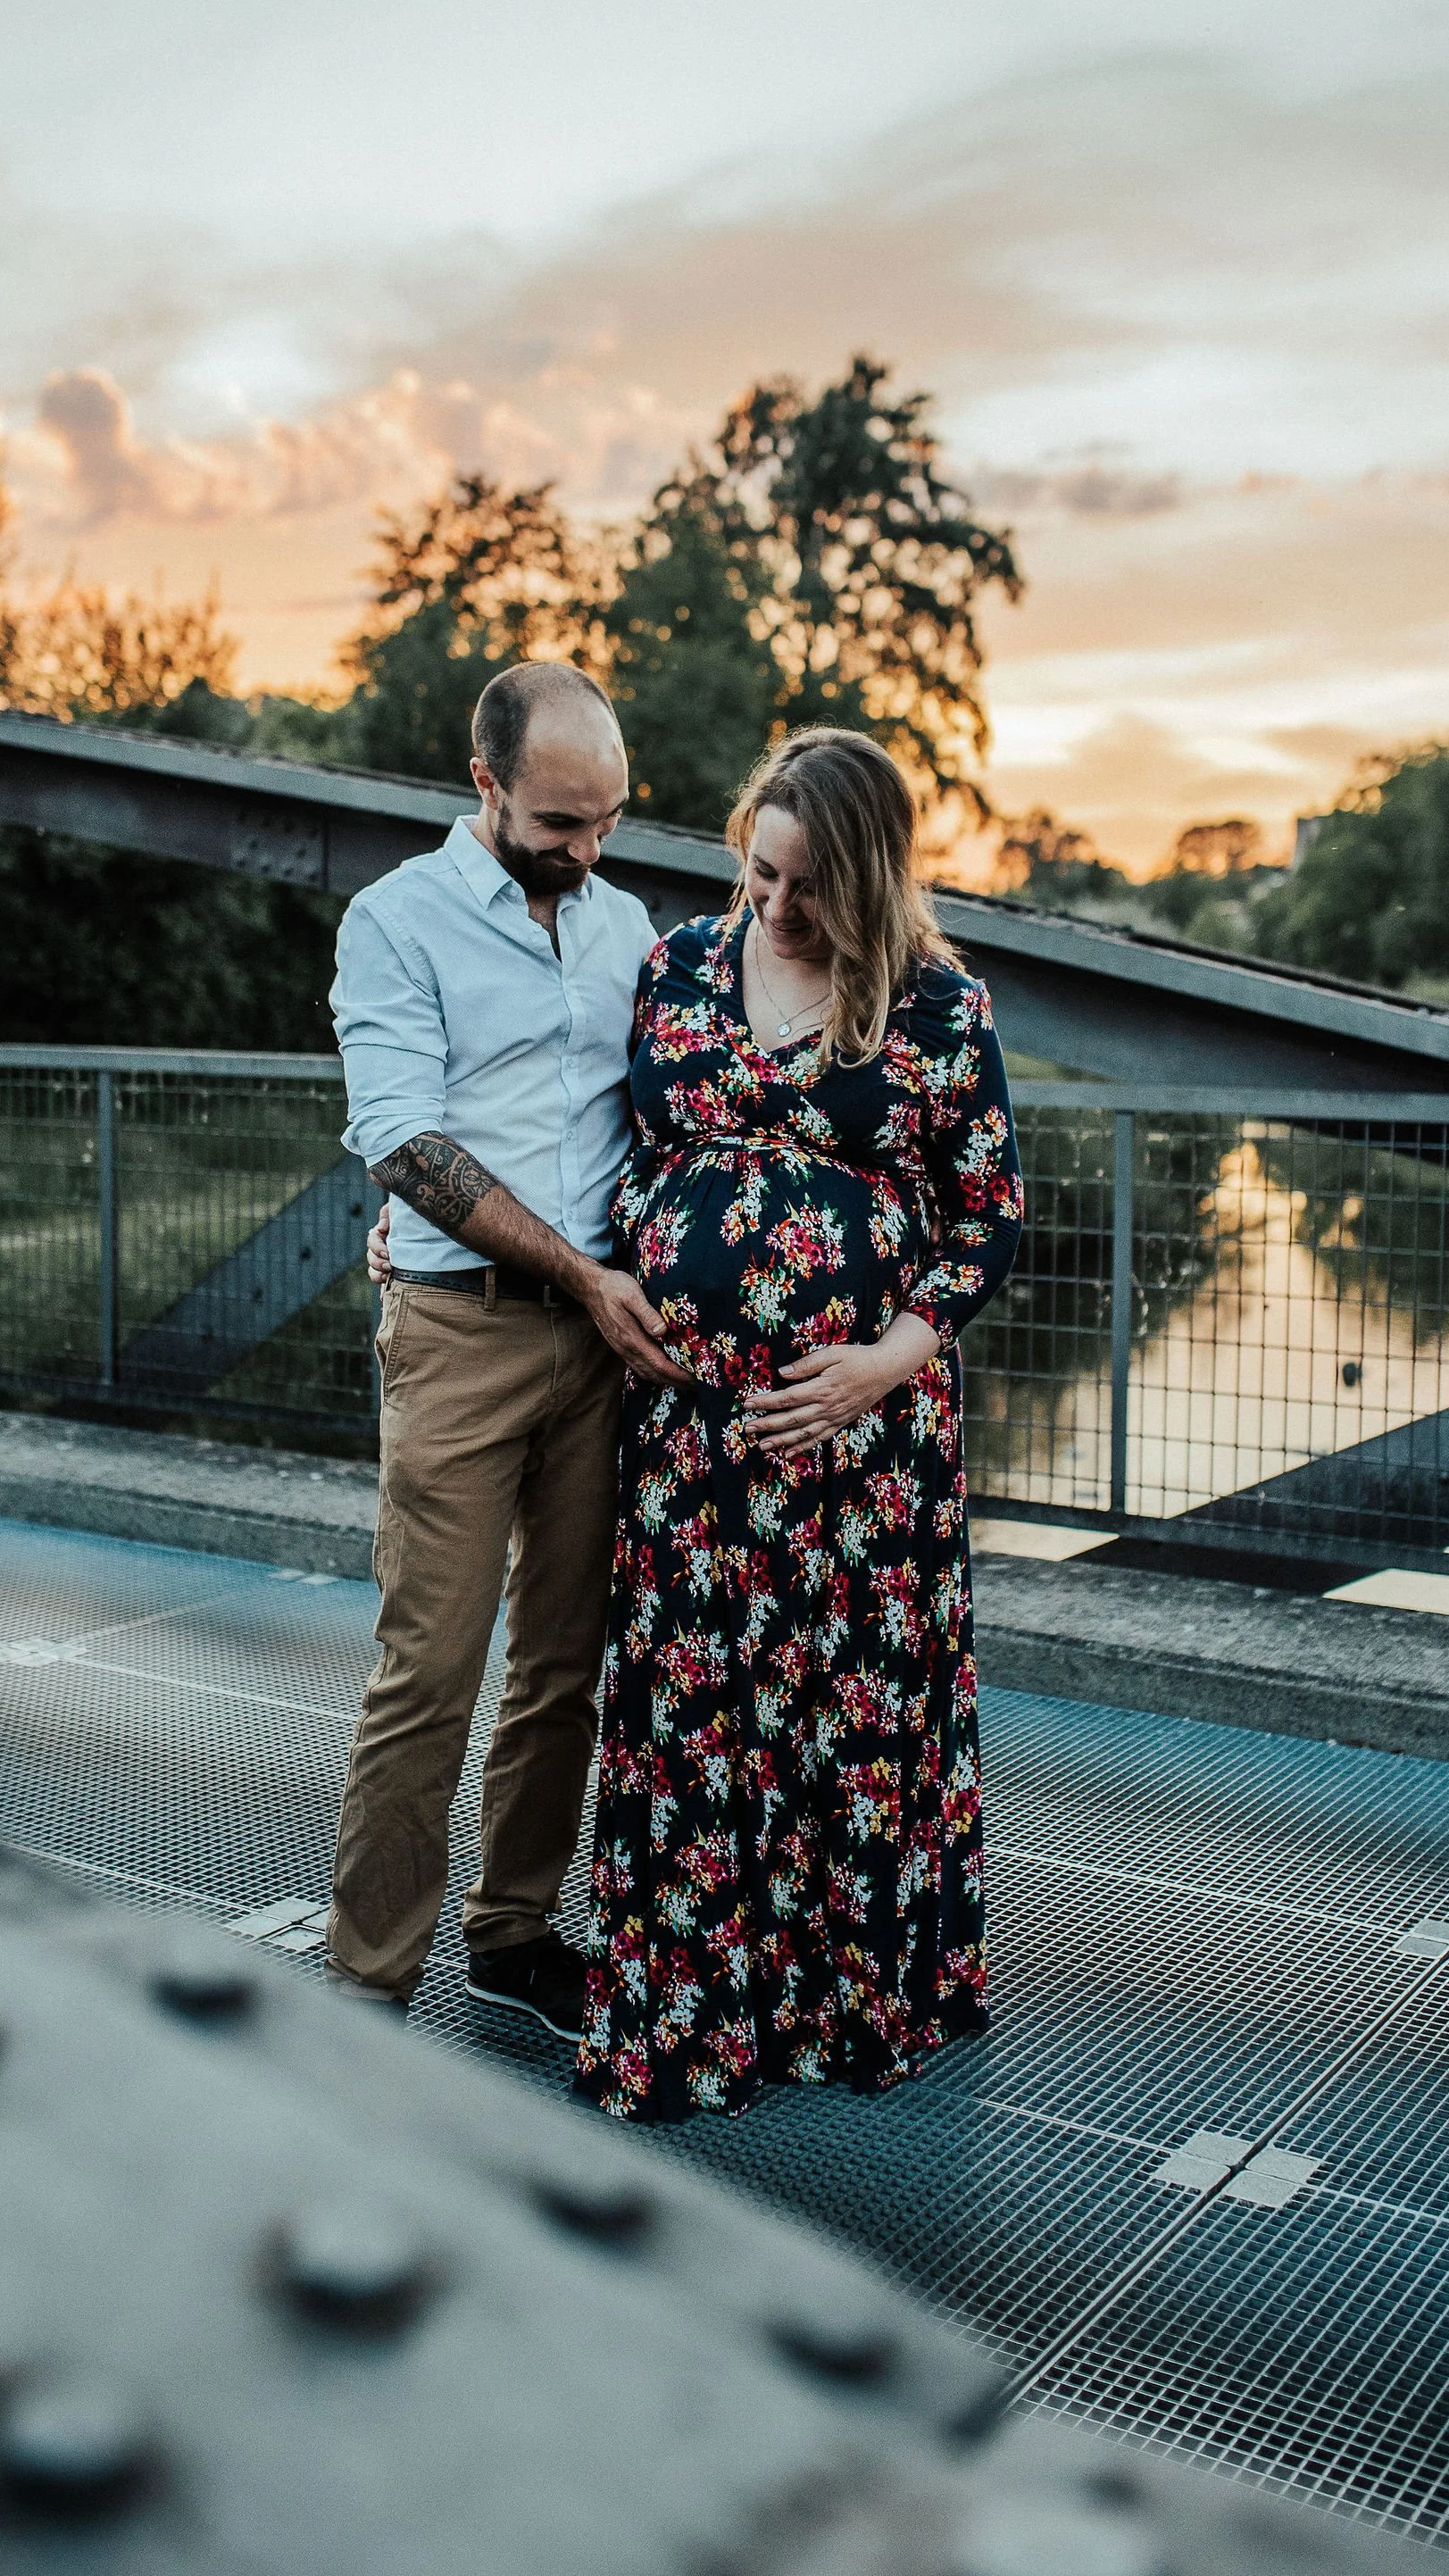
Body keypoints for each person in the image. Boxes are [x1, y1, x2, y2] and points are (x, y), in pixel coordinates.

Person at [573, 729, 1024, 2122]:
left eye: (809, 889)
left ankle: (842, 2005)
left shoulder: (942, 1012)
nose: (773, 906)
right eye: (758, 871)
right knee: (702, 1708)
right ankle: (698, 2005)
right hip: (697, 1438)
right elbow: (625, 1152)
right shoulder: (679, 969)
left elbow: (986, 1228)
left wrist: (880, 1363)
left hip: (860, 1454)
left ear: (873, 882)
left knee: (843, 1709)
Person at [324, 659, 688, 2030]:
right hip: (460, 1342)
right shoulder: (395, 921)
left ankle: (515, 1932)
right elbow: (405, 1138)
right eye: (557, 826)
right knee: (429, 1669)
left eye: (606, 823)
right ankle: (368, 1987)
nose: (585, 855)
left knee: (564, 1662)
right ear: (485, 786)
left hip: (602, 1353)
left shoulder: (631, 925)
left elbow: (675, 1118)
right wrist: (578, 1274)